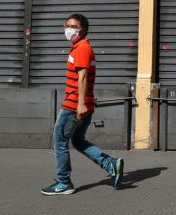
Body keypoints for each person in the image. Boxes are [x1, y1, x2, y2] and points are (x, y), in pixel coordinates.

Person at [42, 13, 124, 195]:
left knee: (60, 142)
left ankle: (63, 182)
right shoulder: (80, 47)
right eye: (67, 26)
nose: (69, 30)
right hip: (82, 103)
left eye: (73, 26)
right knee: (78, 141)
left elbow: (83, 76)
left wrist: (80, 103)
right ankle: (110, 164)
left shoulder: (82, 48)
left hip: (73, 105)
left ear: (83, 30)